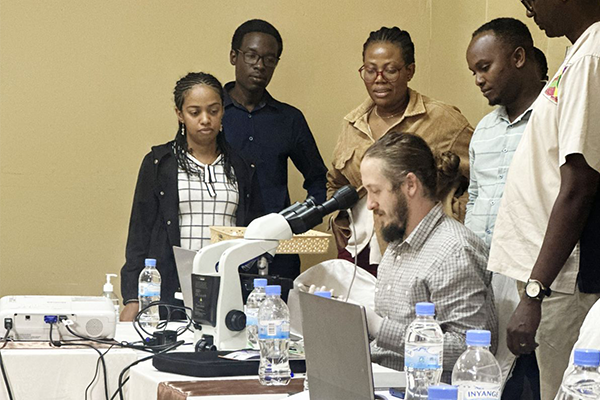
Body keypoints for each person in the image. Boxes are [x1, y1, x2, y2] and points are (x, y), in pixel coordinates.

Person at [488, 1, 600, 398]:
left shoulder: (592, 54)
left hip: (561, 282)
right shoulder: (578, 51)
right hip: (544, 276)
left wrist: (536, 291)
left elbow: (580, 185)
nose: (528, 6)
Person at [327, 26, 473, 277]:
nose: (379, 78)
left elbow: (484, 177)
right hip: (356, 252)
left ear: (409, 71)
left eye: (390, 70)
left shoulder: (441, 119)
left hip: (416, 252)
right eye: (370, 70)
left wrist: (457, 212)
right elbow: (334, 182)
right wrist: (336, 220)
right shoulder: (352, 123)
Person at [120, 72, 261, 321]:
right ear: (180, 114)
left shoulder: (241, 167)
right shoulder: (159, 164)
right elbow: (139, 233)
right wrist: (132, 297)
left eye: (213, 111)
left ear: (222, 113)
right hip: (171, 290)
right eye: (195, 112)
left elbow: (254, 233)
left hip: (226, 288)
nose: (205, 120)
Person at [360, 131, 497, 381]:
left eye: (375, 191)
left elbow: (468, 349)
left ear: (410, 185)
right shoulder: (398, 242)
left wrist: (379, 328)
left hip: (421, 389)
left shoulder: (454, 251)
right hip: (380, 378)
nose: (369, 204)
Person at [466, 17, 546, 400]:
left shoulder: (553, 118)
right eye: (473, 72)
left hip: (535, 277)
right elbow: (476, 198)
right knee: (489, 381)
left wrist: (535, 290)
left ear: (517, 57)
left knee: (533, 381)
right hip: (486, 276)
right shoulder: (484, 129)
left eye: (485, 67)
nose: (479, 79)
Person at [223, 19, 328, 280]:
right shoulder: (211, 113)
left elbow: (319, 180)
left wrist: (299, 220)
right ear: (234, 56)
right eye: (252, 56)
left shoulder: (289, 119)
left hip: (278, 252)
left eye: (270, 59)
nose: (260, 65)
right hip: (222, 244)